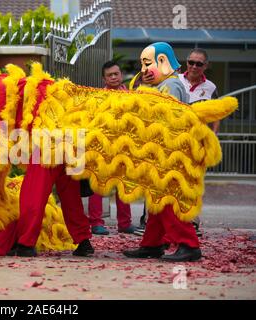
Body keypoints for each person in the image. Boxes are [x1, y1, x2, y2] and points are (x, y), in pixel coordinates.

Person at [123, 42, 202, 262]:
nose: (144, 70)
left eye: (147, 64)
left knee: (166, 200)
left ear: (162, 62)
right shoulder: (162, 84)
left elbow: (162, 117)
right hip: (159, 151)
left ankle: (189, 244)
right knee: (156, 200)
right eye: (142, 65)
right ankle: (152, 244)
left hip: (168, 152)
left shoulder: (172, 86)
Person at [88, 61, 137, 235]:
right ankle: (96, 223)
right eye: (110, 75)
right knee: (99, 185)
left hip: (124, 146)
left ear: (121, 75)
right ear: (104, 78)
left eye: (116, 74)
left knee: (124, 185)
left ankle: (125, 223)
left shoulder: (131, 96)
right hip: (104, 147)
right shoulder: (99, 97)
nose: (114, 77)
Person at [179, 48, 219, 236]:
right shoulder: (175, 81)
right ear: (186, 62)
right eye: (191, 62)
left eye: (199, 64)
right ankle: (166, 223)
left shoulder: (210, 87)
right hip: (176, 140)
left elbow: (216, 113)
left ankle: (192, 221)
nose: (194, 66)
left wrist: (213, 137)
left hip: (197, 143)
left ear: (206, 66)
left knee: (194, 182)